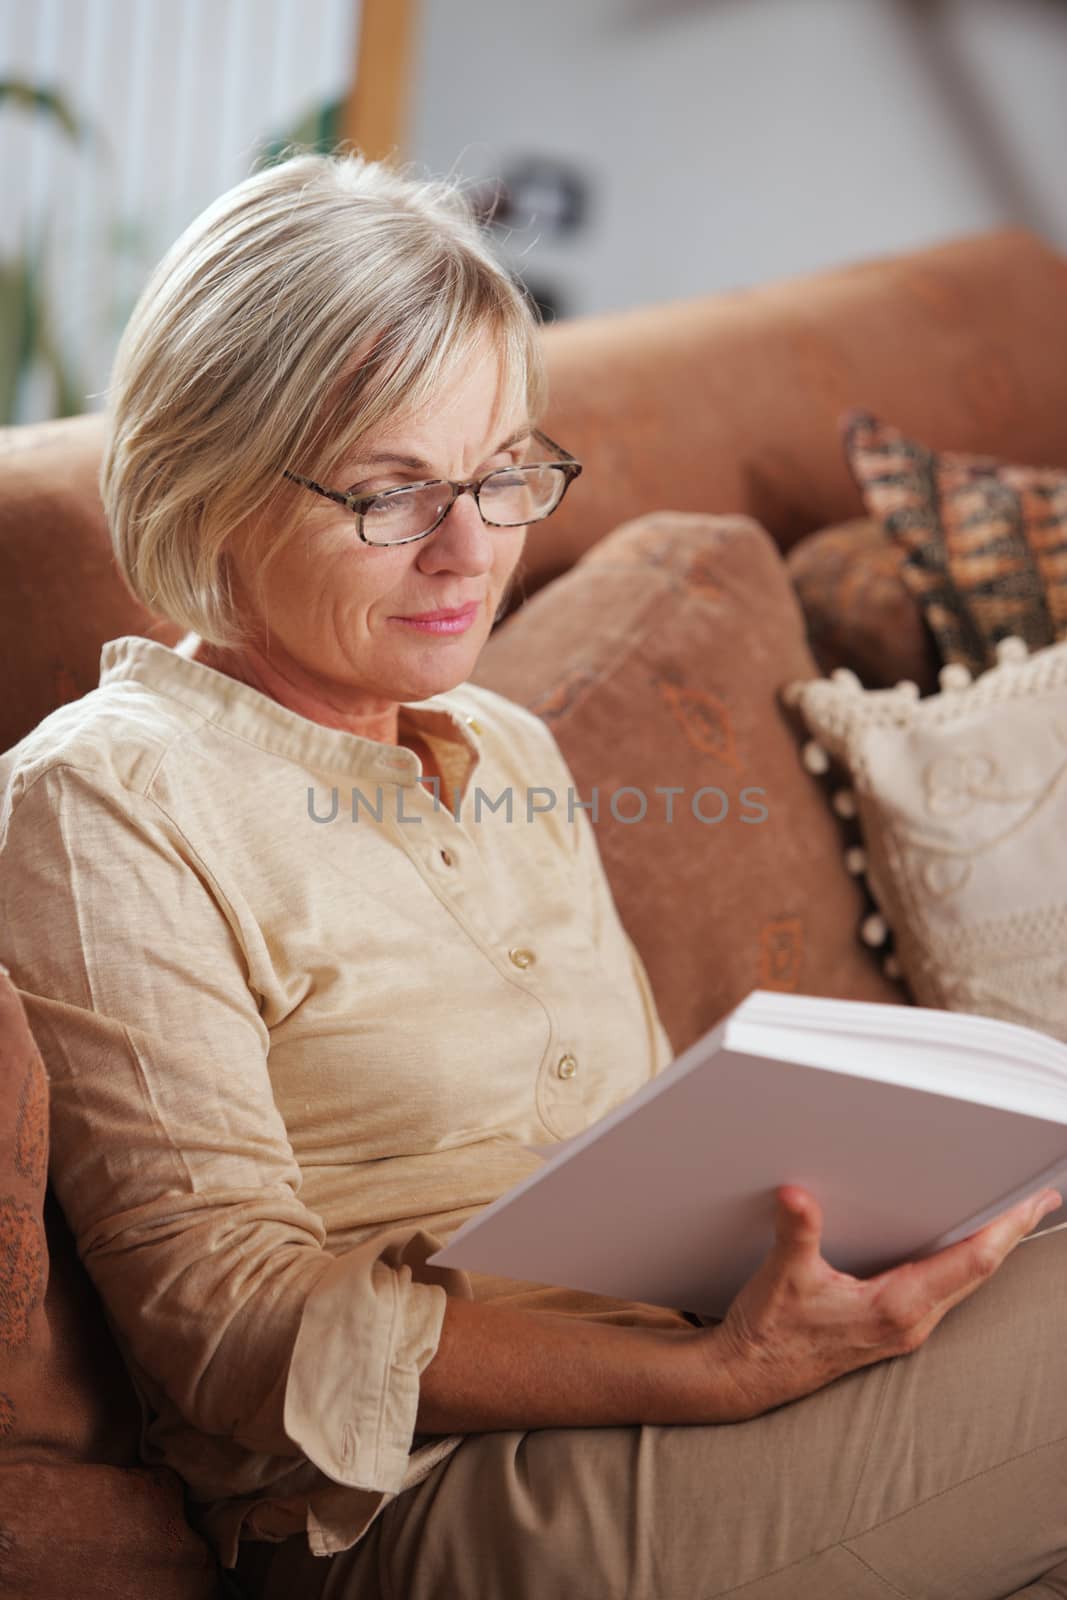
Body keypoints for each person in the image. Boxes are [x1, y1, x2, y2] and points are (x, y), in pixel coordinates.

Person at [1, 153, 1065, 1600]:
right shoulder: (109, 796)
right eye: (393, 495)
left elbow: (636, 1161)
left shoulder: (507, 744)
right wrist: (719, 1379)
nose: (471, 550)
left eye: (505, 475)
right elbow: (231, 1328)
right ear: (216, 487)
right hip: (415, 1511)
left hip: (663, 1398)